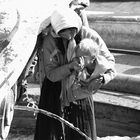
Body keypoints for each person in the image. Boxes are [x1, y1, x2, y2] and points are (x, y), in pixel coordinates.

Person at [34, 6, 116, 140]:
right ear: (56, 30)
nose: (69, 36)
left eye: (72, 31)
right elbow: (51, 74)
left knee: (82, 133)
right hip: (55, 92)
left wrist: (102, 79)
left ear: (77, 25)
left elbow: (110, 62)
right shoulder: (50, 41)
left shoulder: (90, 36)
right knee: (51, 134)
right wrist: (70, 66)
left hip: (80, 92)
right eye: (63, 33)